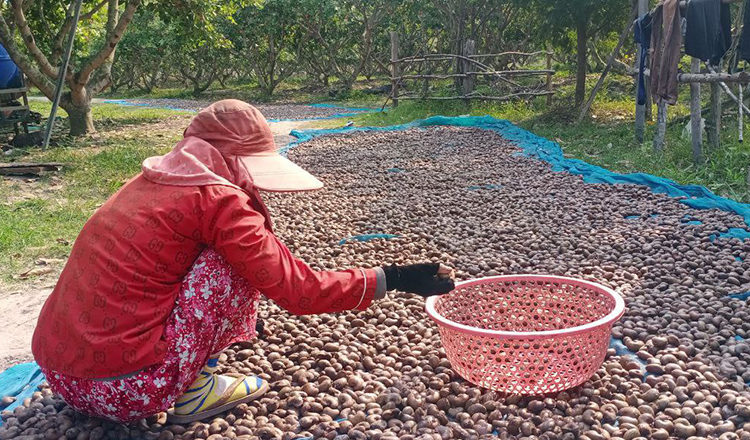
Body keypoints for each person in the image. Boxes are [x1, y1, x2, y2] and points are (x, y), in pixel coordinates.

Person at [31, 99, 455, 424]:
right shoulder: (218, 201)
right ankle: (192, 390)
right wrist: (395, 277)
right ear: (232, 159)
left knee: (221, 260)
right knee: (229, 264)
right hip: (128, 391)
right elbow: (299, 290)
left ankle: (189, 368)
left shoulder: (145, 183)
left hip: (65, 379)